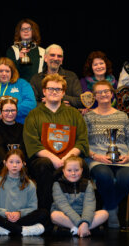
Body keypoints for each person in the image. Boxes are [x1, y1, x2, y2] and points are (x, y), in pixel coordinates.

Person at [23, 73, 89, 212]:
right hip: (43, 161)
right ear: (44, 91)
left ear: (63, 92)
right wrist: (53, 159)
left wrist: (66, 160)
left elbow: (82, 141)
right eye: (50, 88)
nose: (54, 92)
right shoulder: (33, 115)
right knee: (44, 166)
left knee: (81, 165)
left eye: (58, 89)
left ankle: (76, 213)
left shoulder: (74, 114)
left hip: (69, 159)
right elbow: (32, 143)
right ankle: (45, 213)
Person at [84, 80, 129, 228]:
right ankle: (113, 212)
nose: (103, 94)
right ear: (94, 96)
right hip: (98, 160)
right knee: (104, 176)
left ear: (111, 93)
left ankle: (108, 208)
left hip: (123, 160)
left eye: (106, 91)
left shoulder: (122, 116)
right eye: (99, 92)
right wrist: (96, 156)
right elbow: (83, 144)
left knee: (128, 178)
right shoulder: (88, 117)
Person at [0, 149, 48, 236]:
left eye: (18, 162)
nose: (14, 165)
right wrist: (6, 213)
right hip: (3, 218)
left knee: (43, 213)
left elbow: (33, 207)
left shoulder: (30, 184)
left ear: (23, 164)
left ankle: (5, 229)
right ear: (5, 163)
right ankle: (20, 230)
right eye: (11, 162)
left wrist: (19, 213)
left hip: (21, 218)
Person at [51, 156, 108, 237]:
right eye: (69, 170)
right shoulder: (57, 185)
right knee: (55, 216)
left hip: (84, 215)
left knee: (104, 214)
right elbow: (64, 206)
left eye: (76, 170)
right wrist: (80, 223)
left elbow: (89, 205)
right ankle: (83, 229)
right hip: (67, 216)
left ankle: (77, 229)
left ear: (81, 170)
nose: (73, 173)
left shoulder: (87, 184)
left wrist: (85, 222)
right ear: (63, 171)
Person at [0, 57, 36, 125]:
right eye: (1, 71)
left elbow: (31, 104)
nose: (4, 74)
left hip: (19, 127)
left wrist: (10, 112)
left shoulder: (23, 84)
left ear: (12, 72)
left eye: (7, 71)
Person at [29, 44, 83, 108]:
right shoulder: (36, 79)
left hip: (67, 116)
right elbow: (32, 103)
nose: (56, 58)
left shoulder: (71, 76)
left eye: (59, 56)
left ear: (62, 60)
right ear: (45, 58)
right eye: (52, 55)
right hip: (44, 116)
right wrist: (51, 104)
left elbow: (81, 101)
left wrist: (59, 98)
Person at [0, 98, 27, 174]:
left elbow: (23, 148)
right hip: (2, 162)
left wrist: (18, 163)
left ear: (17, 112)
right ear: (1, 112)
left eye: (13, 110)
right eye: (7, 111)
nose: (10, 113)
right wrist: (6, 162)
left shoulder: (22, 127)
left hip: (18, 162)